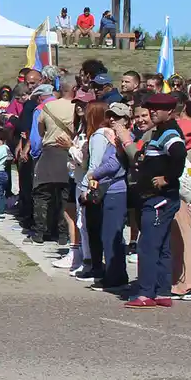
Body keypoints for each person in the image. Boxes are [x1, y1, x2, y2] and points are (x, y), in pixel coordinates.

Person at [125, 94, 186, 308]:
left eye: (157, 109)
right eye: (150, 108)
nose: (152, 112)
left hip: (159, 199)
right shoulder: (160, 131)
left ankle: (146, 293)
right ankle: (162, 292)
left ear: (169, 111)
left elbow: (179, 153)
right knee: (162, 246)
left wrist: (167, 178)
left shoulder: (169, 132)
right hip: (156, 198)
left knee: (148, 245)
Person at [81, 101, 130, 288]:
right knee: (109, 235)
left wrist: (93, 174)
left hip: (116, 190)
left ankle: (114, 277)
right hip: (109, 190)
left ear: (126, 119)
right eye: (110, 116)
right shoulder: (113, 137)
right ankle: (116, 274)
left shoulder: (124, 139)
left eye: (117, 117)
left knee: (112, 236)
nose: (112, 120)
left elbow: (113, 164)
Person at [31, 86, 75, 245]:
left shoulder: (48, 106)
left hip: (49, 153)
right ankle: (63, 234)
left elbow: (40, 129)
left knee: (41, 195)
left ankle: (39, 232)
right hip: (68, 154)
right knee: (65, 197)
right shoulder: (77, 107)